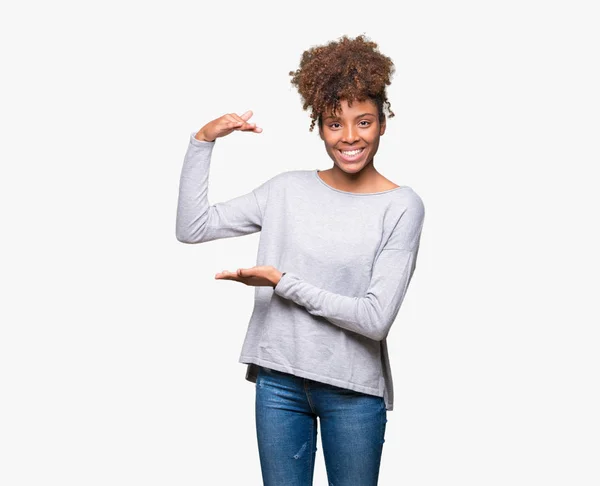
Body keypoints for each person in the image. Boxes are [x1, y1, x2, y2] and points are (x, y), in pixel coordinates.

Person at [176, 34, 425, 486]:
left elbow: (374, 318)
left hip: (352, 390)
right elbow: (192, 228)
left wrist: (281, 281)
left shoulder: (401, 206)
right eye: (335, 124)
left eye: (363, 122)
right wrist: (202, 141)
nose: (350, 137)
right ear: (319, 125)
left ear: (383, 123)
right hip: (279, 382)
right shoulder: (286, 190)